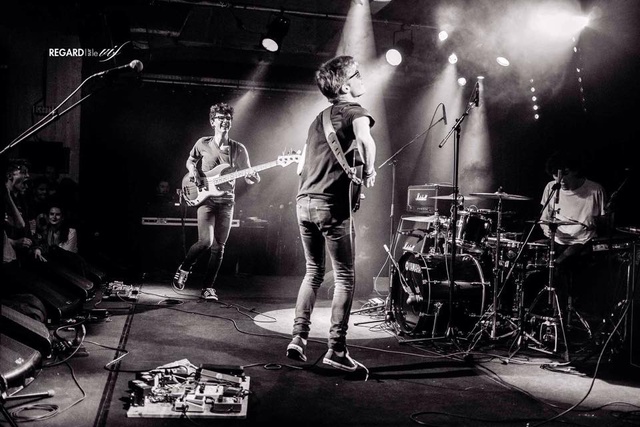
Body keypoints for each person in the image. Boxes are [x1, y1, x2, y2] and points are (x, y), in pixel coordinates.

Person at [286, 55, 377, 372]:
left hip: (303, 203)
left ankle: (298, 338)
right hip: (330, 206)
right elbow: (365, 142)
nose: (362, 78)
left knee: (312, 272)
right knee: (345, 278)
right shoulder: (356, 111)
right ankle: (336, 350)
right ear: (345, 85)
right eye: (357, 74)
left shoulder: (319, 119)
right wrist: (369, 171)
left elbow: (300, 166)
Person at [172, 102, 260, 301]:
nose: (225, 121)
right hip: (206, 200)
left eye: (228, 119)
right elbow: (190, 160)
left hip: (227, 202)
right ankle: (185, 268)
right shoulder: (202, 143)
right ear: (213, 122)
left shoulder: (238, 149)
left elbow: (247, 175)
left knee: (219, 247)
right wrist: (193, 171)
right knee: (205, 242)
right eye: (221, 118)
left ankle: (208, 288)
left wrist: (253, 178)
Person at [538, 151, 606, 317]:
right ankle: (544, 313)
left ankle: (563, 314)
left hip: (582, 242)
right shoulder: (551, 187)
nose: (559, 180)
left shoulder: (595, 190)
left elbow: (605, 223)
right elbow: (544, 219)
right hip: (556, 240)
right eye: (555, 175)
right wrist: (548, 231)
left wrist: (598, 224)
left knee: (560, 264)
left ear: (574, 171)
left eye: (564, 174)